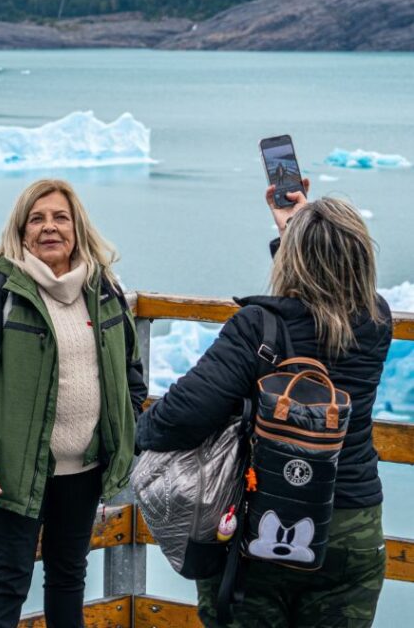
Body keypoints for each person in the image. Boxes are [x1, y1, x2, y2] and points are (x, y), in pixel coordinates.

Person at [136, 181, 392, 627]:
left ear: (294, 259)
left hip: (265, 529)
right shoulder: (375, 321)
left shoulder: (258, 327)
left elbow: (182, 418)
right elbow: (316, 309)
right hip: (353, 526)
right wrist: (298, 229)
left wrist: (135, 434)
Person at [0, 178, 147, 628]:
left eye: (59, 218)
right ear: (21, 232)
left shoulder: (103, 289)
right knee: (8, 577)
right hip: (15, 471)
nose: (49, 228)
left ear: (77, 228)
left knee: (69, 575)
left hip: (84, 469)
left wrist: (120, 438)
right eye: (37, 219)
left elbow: (131, 372)